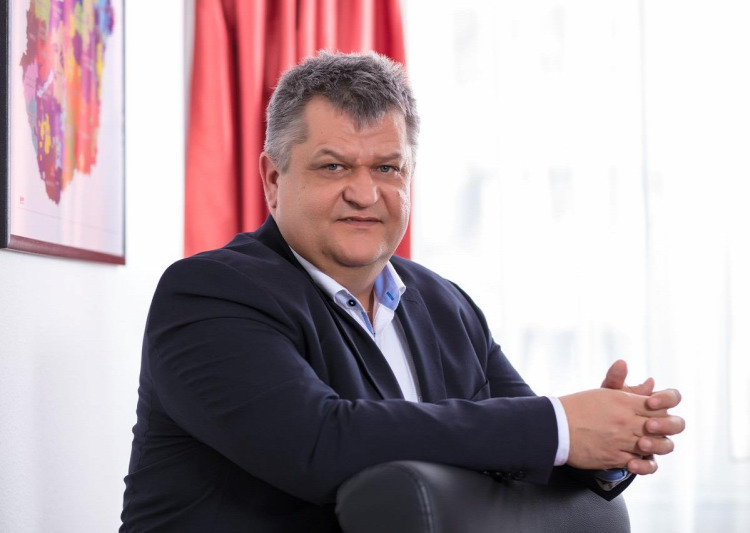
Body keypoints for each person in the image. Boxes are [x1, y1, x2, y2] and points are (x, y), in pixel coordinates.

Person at [120, 52, 684, 532]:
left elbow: (516, 450)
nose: (365, 194)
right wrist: (559, 427)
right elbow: (318, 445)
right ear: (273, 179)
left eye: (388, 168)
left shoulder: (446, 304)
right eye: (334, 166)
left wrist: (605, 441)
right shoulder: (210, 294)